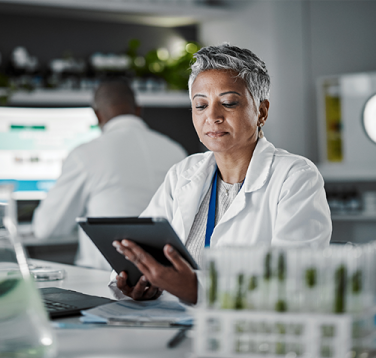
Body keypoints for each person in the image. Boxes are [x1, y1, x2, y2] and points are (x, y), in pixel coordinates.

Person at [111, 44, 332, 304]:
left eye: (228, 103)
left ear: (261, 111)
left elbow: (294, 281)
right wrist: (134, 280)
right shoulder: (184, 173)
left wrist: (198, 290)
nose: (212, 117)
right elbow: (139, 249)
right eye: (200, 105)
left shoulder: (295, 176)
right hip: (175, 325)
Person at [32, 79, 187, 270]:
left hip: (104, 280)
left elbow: (46, 228)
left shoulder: (85, 155)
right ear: (138, 110)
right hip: (166, 279)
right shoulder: (176, 151)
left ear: (97, 115)